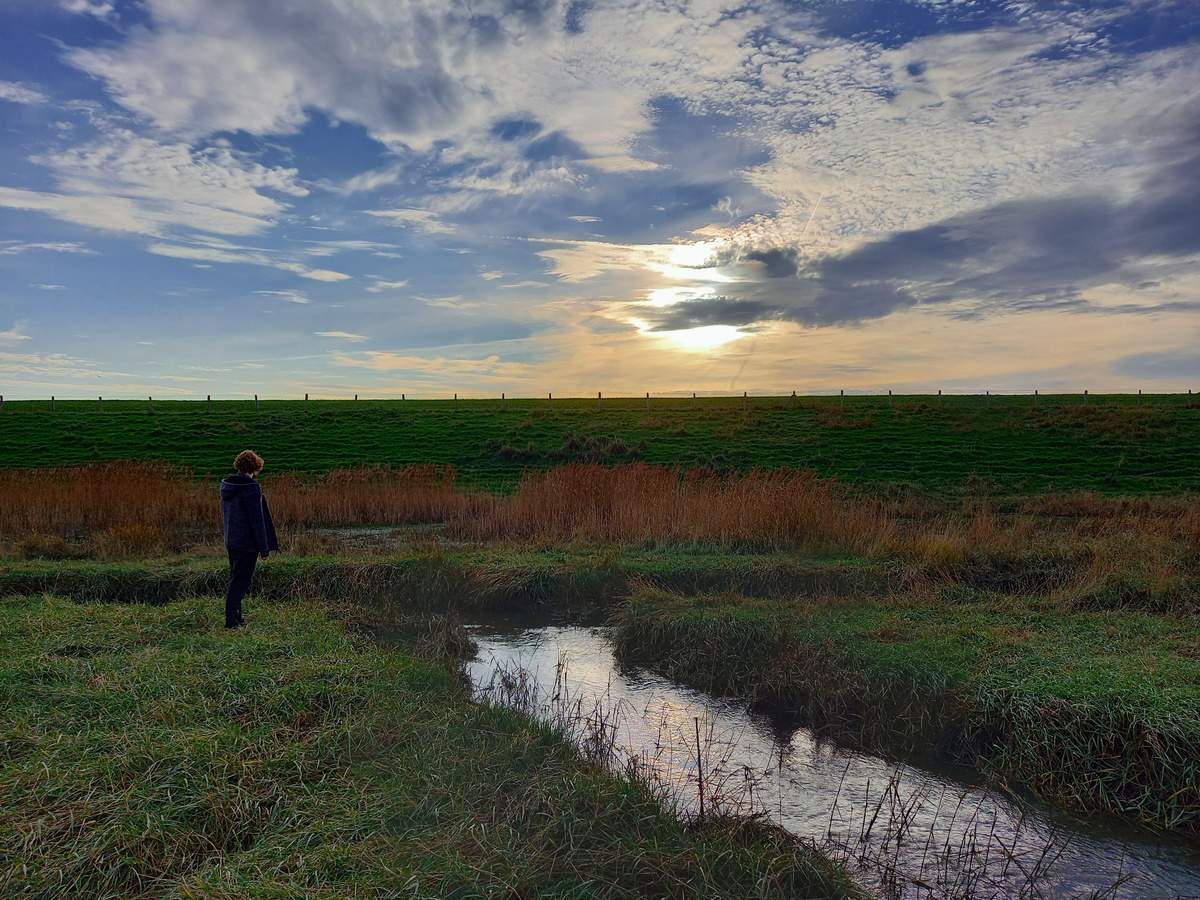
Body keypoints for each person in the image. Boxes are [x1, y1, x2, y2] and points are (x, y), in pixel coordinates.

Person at [220, 450, 278, 629]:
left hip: (232, 541)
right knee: (240, 583)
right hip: (247, 544)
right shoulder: (251, 488)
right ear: (256, 466)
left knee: (236, 579)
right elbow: (257, 520)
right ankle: (232, 621)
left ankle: (238, 617)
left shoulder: (227, 486)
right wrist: (264, 549)